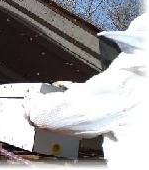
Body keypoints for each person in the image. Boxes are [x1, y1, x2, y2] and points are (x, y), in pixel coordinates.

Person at [23, 13, 148, 168]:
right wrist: (75, 87)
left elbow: (51, 117)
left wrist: (31, 101)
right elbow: (107, 99)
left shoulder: (133, 77)